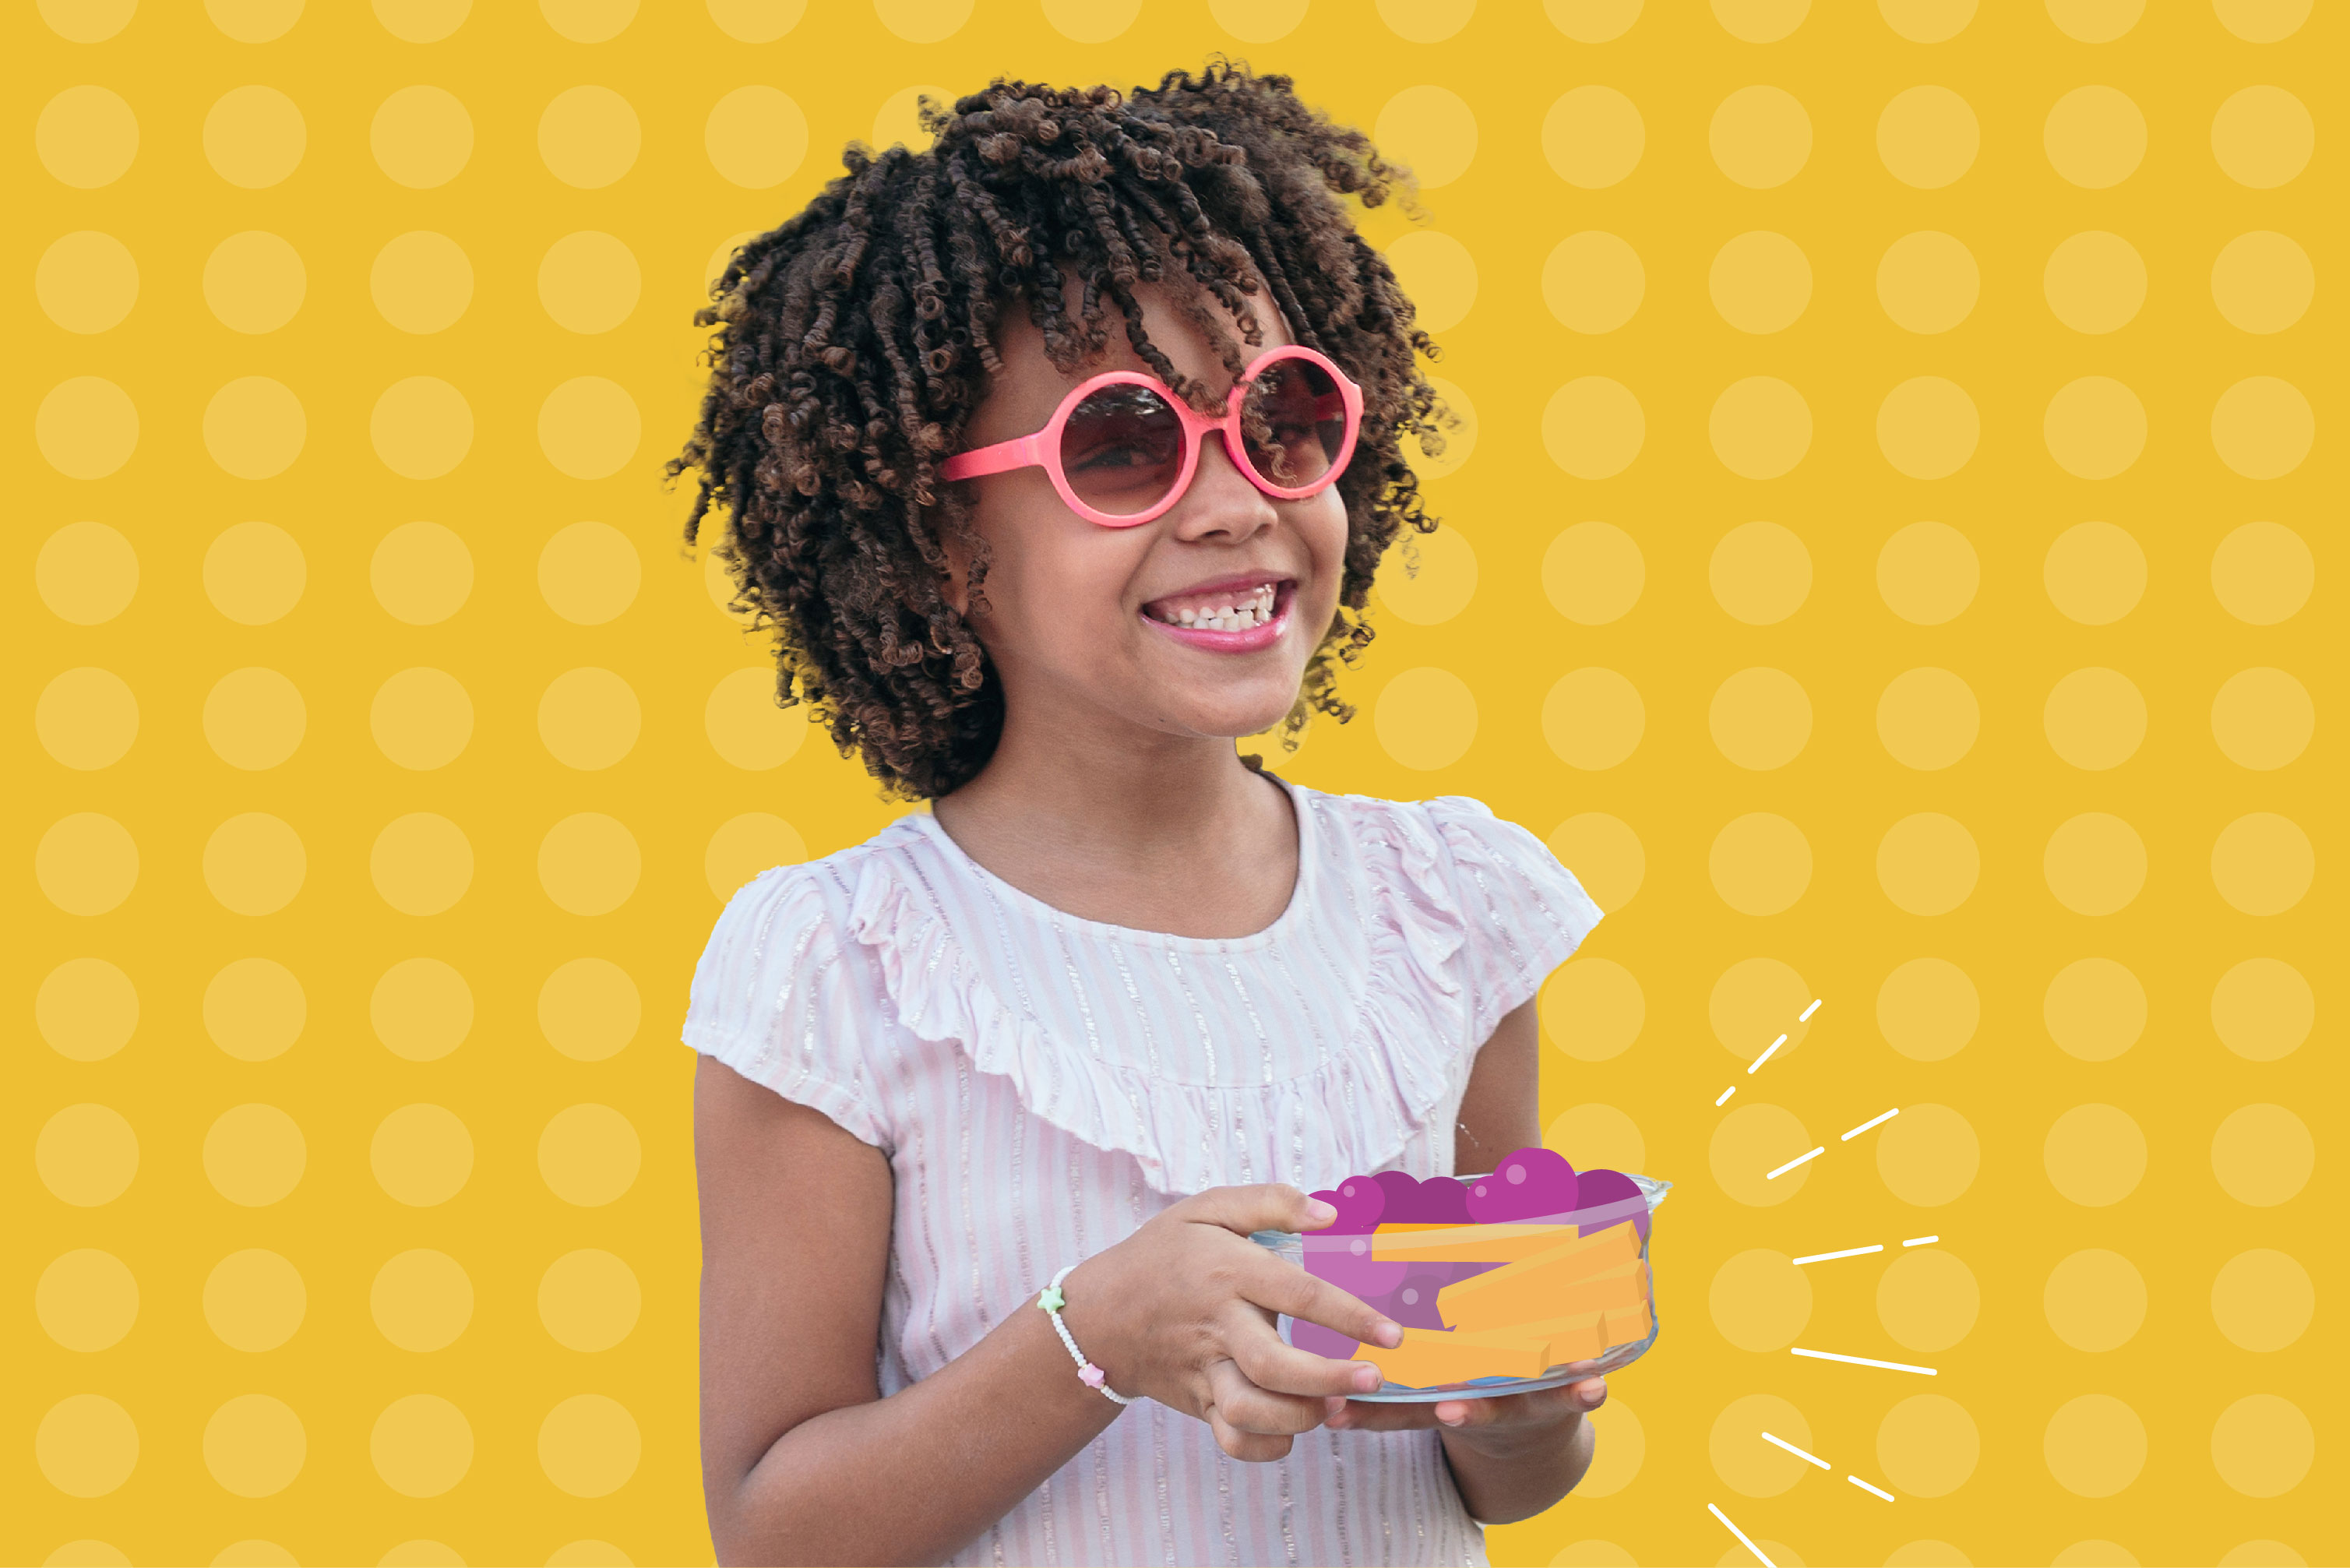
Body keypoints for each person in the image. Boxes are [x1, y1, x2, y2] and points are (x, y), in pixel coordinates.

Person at [672, 62, 1608, 1567]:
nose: (1236, 498)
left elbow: (1502, 1474)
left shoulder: (1448, 911)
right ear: (936, 532)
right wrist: (1091, 1337)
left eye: (1281, 417)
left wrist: (1515, 1410)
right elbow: (775, 1531)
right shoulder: (842, 967)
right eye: (1123, 446)